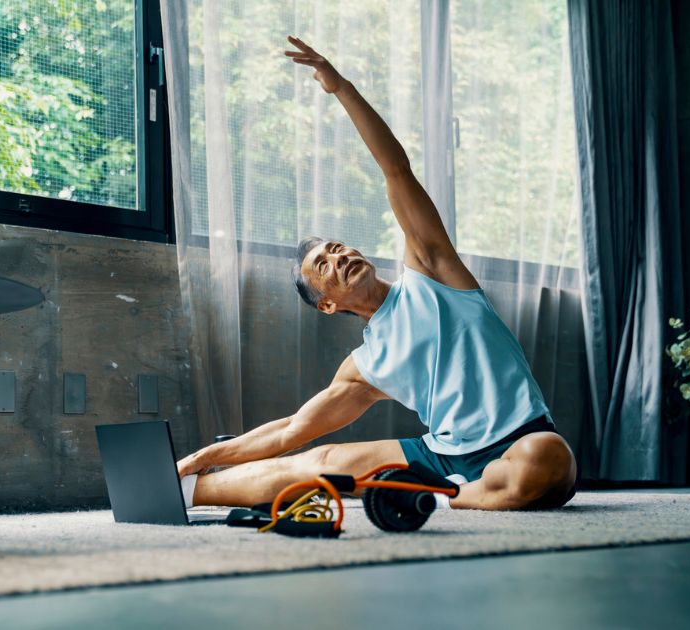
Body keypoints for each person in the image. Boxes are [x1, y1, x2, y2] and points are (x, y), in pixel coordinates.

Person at [176, 36, 577, 511]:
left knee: (546, 459)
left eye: (337, 246)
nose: (339, 256)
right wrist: (203, 456)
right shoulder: (366, 366)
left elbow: (396, 171)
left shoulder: (432, 271)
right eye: (323, 264)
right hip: (444, 452)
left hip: (521, 440)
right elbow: (291, 431)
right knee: (318, 461)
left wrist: (341, 88)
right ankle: (186, 490)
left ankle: (450, 496)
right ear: (327, 305)